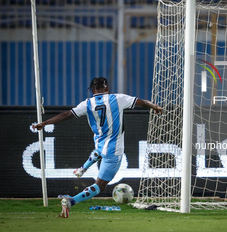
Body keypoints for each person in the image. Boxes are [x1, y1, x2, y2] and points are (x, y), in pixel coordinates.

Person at [33, 77, 162, 218]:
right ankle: (71, 201)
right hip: (114, 151)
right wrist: (154, 106)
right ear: (107, 88)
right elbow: (142, 102)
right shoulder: (118, 98)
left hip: (100, 143)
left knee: (99, 151)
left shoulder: (87, 103)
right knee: (99, 185)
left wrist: (44, 123)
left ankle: (82, 169)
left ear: (93, 90)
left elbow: (67, 114)